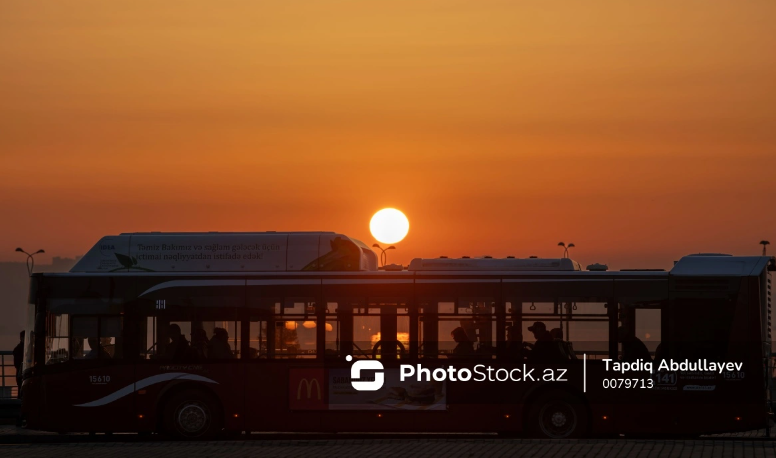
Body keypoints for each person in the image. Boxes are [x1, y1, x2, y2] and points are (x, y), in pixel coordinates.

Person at [13, 331, 24, 398]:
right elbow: (16, 363)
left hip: (20, 372)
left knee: (20, 390)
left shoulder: (17, 349)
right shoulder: (19, 349)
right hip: (21, 372)